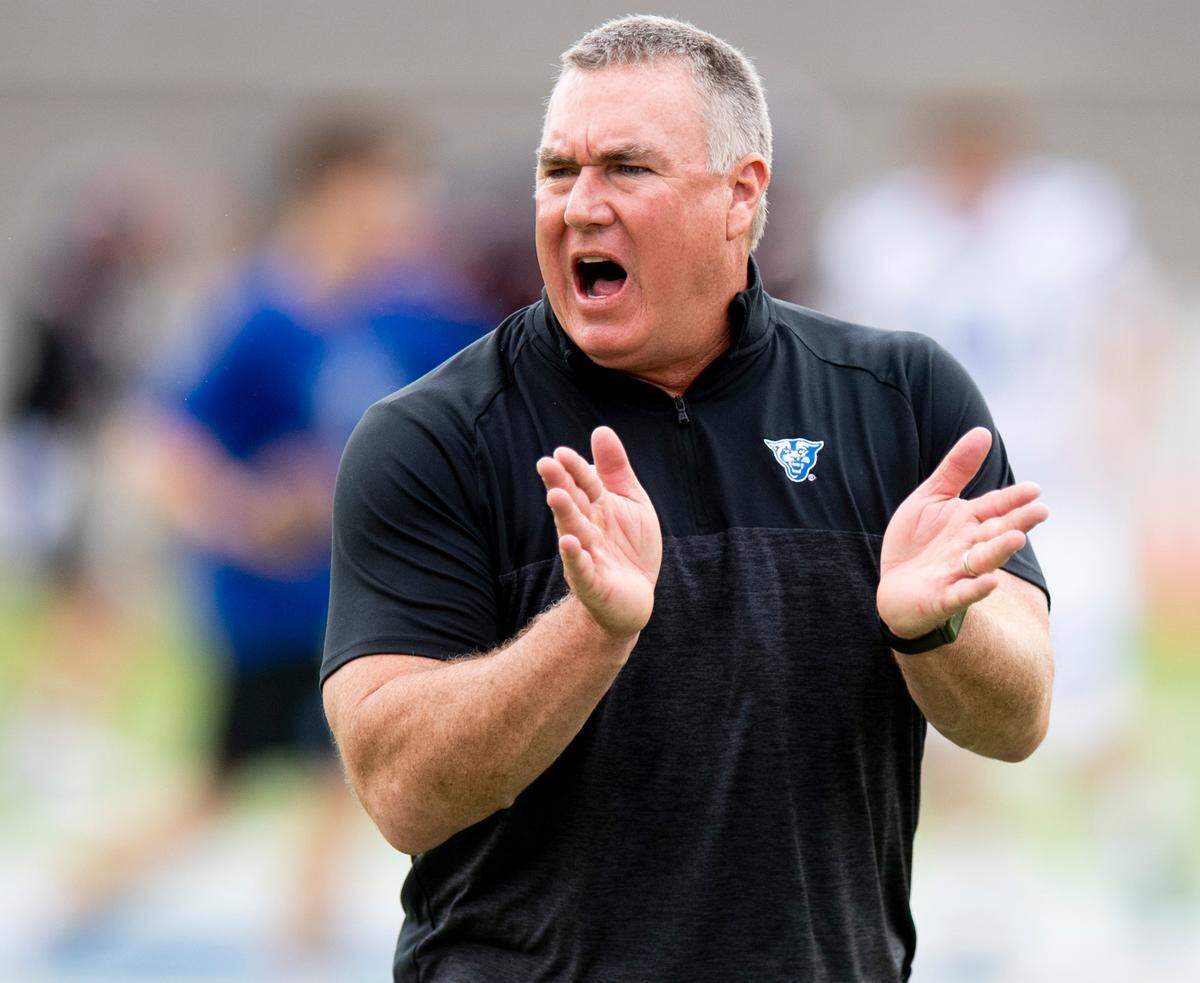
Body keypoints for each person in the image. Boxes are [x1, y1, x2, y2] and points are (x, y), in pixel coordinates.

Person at [321, 16, 1053, 982]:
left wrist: (934, 633)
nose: (580, 205)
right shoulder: (434, 434)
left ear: (740, 196)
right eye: (557, 170)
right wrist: (590, 632)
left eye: (627, 168)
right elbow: (400, 792)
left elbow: (1020, 717)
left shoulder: (901, 399)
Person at [57, 113, 485, 959]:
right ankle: (82, 900)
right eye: (384, 187)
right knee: (236, 789)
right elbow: (157, 444)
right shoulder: (258, 315)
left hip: (363, 603)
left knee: (339, 783)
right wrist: (242, 509)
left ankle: (300, 944)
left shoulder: (417, 312)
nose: (402, 209)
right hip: (276, 607)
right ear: (330, 191)